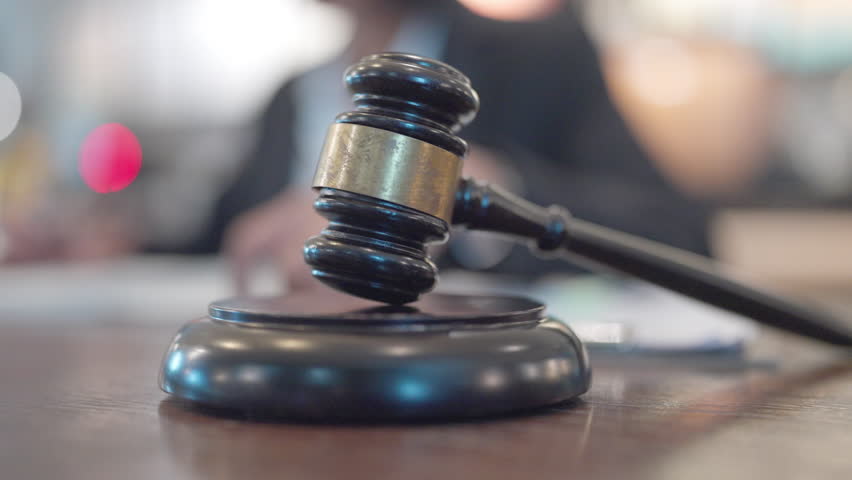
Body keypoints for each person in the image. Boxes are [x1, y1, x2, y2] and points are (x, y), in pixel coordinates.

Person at [192, 0, 713, 292]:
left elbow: (680, 233)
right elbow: (212, 238)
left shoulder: (541, 55)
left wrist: (474, 188)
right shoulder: (290, 95)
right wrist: (127, 237)